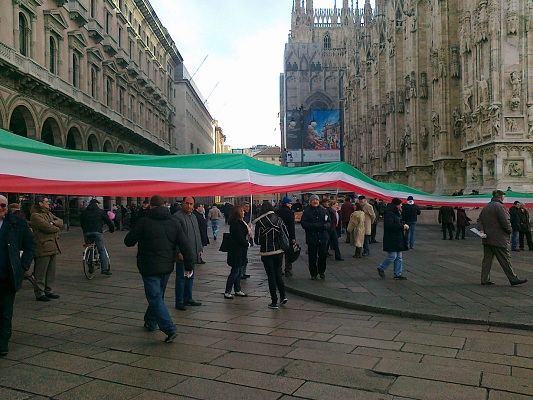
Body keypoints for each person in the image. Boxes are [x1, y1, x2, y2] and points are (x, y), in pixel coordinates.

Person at [124, 195, 194, 343]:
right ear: (165, 206)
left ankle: (169, 328)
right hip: (167, 266)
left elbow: (128, 241)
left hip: (148, 266)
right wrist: (189, 266)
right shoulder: (174, 223)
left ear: (151, 207)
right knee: (157, 295)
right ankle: (150, 321)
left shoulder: (144, 222)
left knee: (155, 296)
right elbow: (186, 245)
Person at [0, 195, 35, 356]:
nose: (1, 208)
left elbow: (30, 245)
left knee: (5, 311)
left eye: (3, 205)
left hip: (8, 275)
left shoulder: (17, 223)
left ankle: (2, 343)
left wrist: (24, 266)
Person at [477, 190, 527, 286]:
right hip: (498, 238)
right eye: (503, 195)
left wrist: (481, 230)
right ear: (500, 196)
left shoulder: (487, 207)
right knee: (505, 259)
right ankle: (513, 278)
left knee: (487, 260)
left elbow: (479, 220)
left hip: (487, 238)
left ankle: (484, 279)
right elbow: (505, 221)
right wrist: (509, 231)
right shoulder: (499, 207)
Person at [254, 202, 288, 309]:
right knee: (278, 273)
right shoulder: (279, 219)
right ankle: (283, 296)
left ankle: (274, 301)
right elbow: (285, 233)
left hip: (266, 252)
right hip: (278, 251)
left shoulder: (260, 222)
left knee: (271, 276)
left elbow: (257, 240)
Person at [30, 195, 63, 302]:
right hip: (43, 246)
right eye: (46, 201)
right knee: (41, 271)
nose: (48, 203)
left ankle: (49, 290)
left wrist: (53, 223)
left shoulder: (48, 213)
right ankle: (39, 292)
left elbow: (60, 222)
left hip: (53, 246)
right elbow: (48, 228)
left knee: (51, 271)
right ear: (40, 203)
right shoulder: (35, 216)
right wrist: (54, 226)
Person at [173, 196, 203, 310]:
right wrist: (178, 251)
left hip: (192, 253)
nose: (189, 206)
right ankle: (179, 300)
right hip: (183, 253)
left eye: (191, 204)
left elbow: (197, 235)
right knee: (181, 278)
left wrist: (200, 249)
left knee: (190, 276)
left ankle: (188, 298)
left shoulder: (194, 217)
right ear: (182, 204)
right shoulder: (177, 217)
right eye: (187, 203)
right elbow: (175, 237)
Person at [80, 198, 115, 275]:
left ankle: (90, 265)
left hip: (87, 233)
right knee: (101, 250)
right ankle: (104, 269)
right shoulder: (100, 211)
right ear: (96, 204)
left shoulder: (84, 212)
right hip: (97, 232)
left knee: (89, 248)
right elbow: (108, 221)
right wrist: (112, 229)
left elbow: (81, 223)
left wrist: (85, 230)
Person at [377, 198, 409, 280]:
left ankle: (397, 274)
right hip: (391, 238)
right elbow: (390, 225)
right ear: (397, 205)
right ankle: (382, 267)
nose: (401, 205)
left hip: (397, 238)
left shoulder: (396, 212)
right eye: (400, 204)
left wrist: (402, 224)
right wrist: (402, 226)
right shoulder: (390, 213)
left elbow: (397, 222)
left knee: (399, 256)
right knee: (393, 256)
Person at [301, 194, 330, 280]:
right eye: (313, 200)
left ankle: (321, 271)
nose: (315, 201)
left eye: (316, 200)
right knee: (312, 257)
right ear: (310, 202)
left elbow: (329, 222)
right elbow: (304, 224)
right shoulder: (307, 212)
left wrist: (326, 226)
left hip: (322, 237)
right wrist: (315, 226)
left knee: (322, 256)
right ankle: (313, 273)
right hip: (312, 238)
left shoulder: (324, 211)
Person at [224, 206, 249, 299]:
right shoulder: (235, 224)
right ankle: (227, 291)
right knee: (235, 271)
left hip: (240, 250)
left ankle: (237, 289)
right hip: (235, 250)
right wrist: (246, 244)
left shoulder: (241, 222)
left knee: (238, 272)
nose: (244, 212)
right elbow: (239, 237)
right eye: (242, 211)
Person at [276, 196, 296, 276]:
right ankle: (288, 270)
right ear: (287, 204)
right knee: (289, 253)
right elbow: (291, 226)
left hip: (278, 235)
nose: (291, 205)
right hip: (287, 235)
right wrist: (293, 237)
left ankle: (279, 269)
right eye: (290, 203)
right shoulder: (289, 212)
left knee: (279, 253)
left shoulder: (277, 212)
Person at [240, 202, 253, 279]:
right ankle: (241, 273)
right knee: (243, 256)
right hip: (243, 239)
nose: (248, 208)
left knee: (245, 256)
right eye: (246, 206)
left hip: (247, 238)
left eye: (249, 207)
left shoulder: (247, 215)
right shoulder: (241, 216)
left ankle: (244, 272)